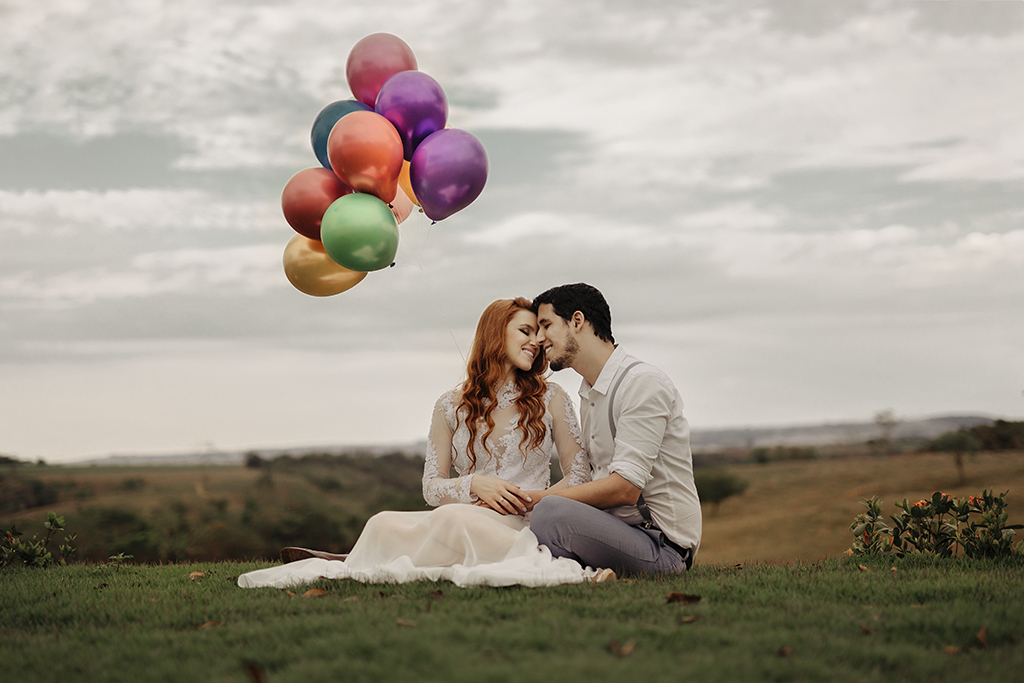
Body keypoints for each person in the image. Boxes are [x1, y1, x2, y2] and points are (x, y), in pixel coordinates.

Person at [237, 297, 602, 589]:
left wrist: (530, 501)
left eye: (538, 333)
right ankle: (351, 559)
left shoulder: (551, 397)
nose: (536, 341)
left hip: (522, 521)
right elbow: (431, 486)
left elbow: (579, 474)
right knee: (381, 522)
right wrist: (472, 483)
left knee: (455, 518)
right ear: (495, 334)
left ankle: (349, 561)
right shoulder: (449, 405)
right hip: (461, 513)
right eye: (525, 330)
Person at [522, 283, 701, 575]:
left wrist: (538, 501)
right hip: (617, 532)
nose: (539, 338)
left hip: (661, 547)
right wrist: (520, 500)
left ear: (577, 321)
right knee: (528, 519)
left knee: (549, 513)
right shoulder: (590, 392)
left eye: (546, 325)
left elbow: (625, 489)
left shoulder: (641, 383)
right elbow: (593, 477)